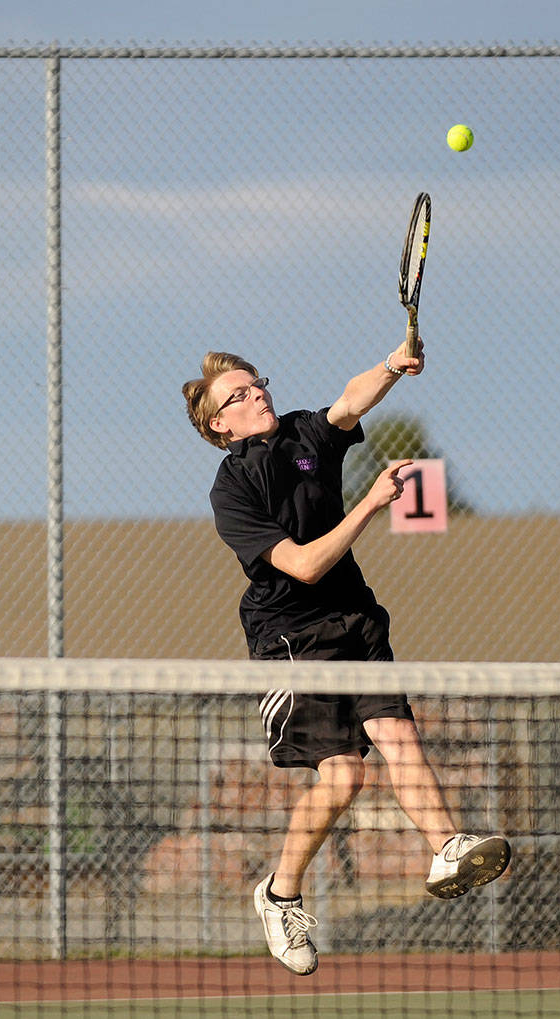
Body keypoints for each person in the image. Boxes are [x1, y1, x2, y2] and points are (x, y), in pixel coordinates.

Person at [182, 339, 510, 976]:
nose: (257, 397)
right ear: (219, 424)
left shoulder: (306, 433)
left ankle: (446, 845)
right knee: (345, 778)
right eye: (240, 396)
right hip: (290, 639)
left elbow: (349, 402)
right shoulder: (232, 491)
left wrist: (393, 365)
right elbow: (303, 566)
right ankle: (280, 895)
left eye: (258, 385)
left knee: (399, 738)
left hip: (356, 619)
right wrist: (369, 503)